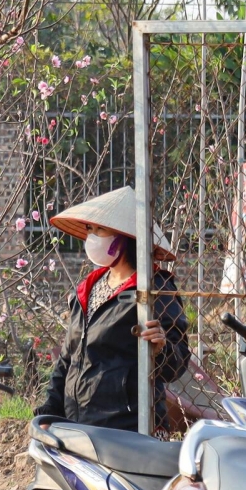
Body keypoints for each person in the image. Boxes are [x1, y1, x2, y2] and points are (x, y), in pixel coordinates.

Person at [37, 186, 189, 435]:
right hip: (79, 425)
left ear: (124, 236)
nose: (92, 237)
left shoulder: (155, 287)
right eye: (90, 229)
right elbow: (68, 359)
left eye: (100, 230)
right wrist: (49, 412)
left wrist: (161, 350)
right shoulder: (88, 288)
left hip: (127, 428)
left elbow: (179, 360)